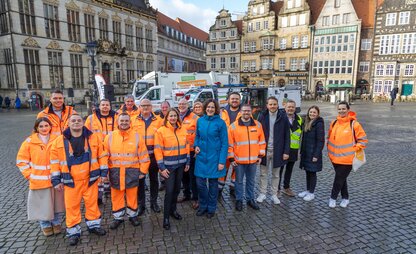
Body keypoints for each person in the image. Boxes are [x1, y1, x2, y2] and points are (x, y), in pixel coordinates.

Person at [50, 114, 108, 246]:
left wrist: (104, 172)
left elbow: (102, 155)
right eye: (73, 121)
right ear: (68, 124)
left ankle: (93, 226)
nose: (76, 122)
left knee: (92, 204)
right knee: (72, 207)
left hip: (90, 179)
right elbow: (54, 162)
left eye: (79, 120)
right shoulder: (59, 141)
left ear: (83, 123)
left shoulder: (93, 137)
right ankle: (73, 232)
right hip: (71, 182)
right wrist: (56, 180)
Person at [16, 118, 64, 236]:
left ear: (50, 127)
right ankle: (45, 224)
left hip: (55, 178)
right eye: (41, 126)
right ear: (36, 128)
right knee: (42, 204)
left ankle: (56, 222)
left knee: (56, 203)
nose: (44, 128)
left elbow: (62, 157)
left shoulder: (57, 139)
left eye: (46, 126)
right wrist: (29, 175)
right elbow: (21, 161)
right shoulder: (29, 141)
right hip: (38, 180)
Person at [104, 113, 150, 229]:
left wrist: (143, 172)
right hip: (115, 171)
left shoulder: (137, 136)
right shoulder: (109, 137)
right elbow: (104, 156)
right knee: (116, 195)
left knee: (132, 195)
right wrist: (104, 173)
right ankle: (118, 218)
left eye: (126, 121)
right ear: (117, 122)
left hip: (132, 171)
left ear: (130, 122)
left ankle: (132, 216)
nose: (124, 123)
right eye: (122, 121)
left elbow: (144, 156)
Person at [154, 108, 190, 230]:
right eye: (171, 116)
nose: (173, 118)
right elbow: (157, 150)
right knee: (169, 192)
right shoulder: (161, 131)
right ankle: (166, 217)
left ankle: (173, 210)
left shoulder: (182, 129)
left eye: (175, 115)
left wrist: (188, 161)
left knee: (176, 190)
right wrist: (161, 167)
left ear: (178, 117)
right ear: (167, 117)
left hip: (180, 165)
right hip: (168, 167)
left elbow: (187, 146)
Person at [327, 101, 368, 208]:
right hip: (334, 158)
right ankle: (345, 198)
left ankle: (333, 198)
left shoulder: (354, 124)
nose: (341, 111)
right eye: (339, 109)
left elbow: (363, 140)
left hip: (347, 159)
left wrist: (354, 148)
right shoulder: (334, 123)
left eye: (343, 109)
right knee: (342, 179)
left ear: (348, 110)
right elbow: (330, 137)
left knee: (338, 178)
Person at [194, 99, 228, 218]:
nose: (210, 109)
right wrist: (196, 145)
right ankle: (203, 205)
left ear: (216, 109)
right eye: (208, 107)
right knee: (200, 183)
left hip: (215, 159)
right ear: (205, 108)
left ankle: (211, 208)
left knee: (213, 185)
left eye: (212, 107)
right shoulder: (200, 121)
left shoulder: (221, 123)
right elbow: (197, 137)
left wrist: (222, 161)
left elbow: (225, 143)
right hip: (201, 158)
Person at [228, 104, 266, 211]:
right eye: (244, 111)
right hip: (239, 161)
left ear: (251, 112)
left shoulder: (258, 125)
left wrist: (260, 155)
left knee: (251, 181)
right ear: (240, 112)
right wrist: (231, 159)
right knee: (238, 182)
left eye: (248, 111)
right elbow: (229, 144)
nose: (246, 113)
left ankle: (250, 200)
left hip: (253, 161)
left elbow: (262, 142)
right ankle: (239, 200)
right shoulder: (233, 126)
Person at [256, 97, 290, 205]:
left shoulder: (283, 117)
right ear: (267, 105)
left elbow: (287, 136)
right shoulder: (262, 116)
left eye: (274, 104)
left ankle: (274, 194)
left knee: (276, 174)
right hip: (264, 150)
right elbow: (257, 134)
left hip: (278, 150)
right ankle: (262, 193)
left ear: (278, 105)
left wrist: (286, 151)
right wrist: (258, 151)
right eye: (270, 104)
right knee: (263, 174)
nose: (272, 106)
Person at [131, 99, 163, 215]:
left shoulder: (159, 120)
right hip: (139, 157)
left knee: (154, 180)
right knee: (140, 181)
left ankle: (154, 202)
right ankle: (141, 204)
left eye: (148, 105)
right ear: (139, 107)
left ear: (151, 107)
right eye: (143, 105)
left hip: (153, 156)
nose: (145, 107)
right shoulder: (133, 120)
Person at [85, 99, 118, 204]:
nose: (105, 106)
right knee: (98, 172)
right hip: (97, 149)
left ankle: (111, 191)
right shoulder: (91, 118)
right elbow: (85, 133)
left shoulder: (116, 117)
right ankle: (98, 196)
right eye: (103, 105)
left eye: (107, 105)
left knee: (113, 170)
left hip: (114, 147)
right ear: (99, 106)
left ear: (110, 106)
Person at [298, 106, 325, 201]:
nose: (312, 114)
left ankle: (312, 193)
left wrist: (316, 155)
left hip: (313, 153)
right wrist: (301, 152)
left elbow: (321, 141)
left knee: (312, 173)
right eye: (310, 112)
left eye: (314, 112)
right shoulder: (307, 122)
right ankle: (308, 190)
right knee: (307, 172)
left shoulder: (319, 123)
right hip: (306, 152)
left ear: (318, 114)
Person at [218, 92, 241, 198]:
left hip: (239, 147)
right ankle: (219, 189)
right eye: (232, 99)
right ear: (228, 100)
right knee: (223, 168)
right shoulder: (221, 112)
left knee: (237, 170)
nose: (234, 100)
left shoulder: (244, 112)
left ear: (240, 100)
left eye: (237, 99)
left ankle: (233, 188)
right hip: (224, 146)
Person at [177, 98, 198, 208]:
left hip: (192, 151)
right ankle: (186, 194)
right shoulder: (176, 116)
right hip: (181, 152)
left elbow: (200, 135)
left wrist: (197, 148)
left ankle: (196, 198)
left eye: (184, 104)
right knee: (184, 175)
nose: (182, 106)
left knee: (193, 176)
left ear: (188, 105)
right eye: (180, 104)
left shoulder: (195, 117)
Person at [279, 100, 302, 197]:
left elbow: (300, 134)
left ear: (295, 108)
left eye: (292, 107)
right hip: (282, 148)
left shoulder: (299, 119)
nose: (291, 109)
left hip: (293, 148)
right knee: (279, 169)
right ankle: (277, 189)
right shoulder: (280, 117)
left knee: (289, 169)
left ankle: (286, 187)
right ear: (285, 108)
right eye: (289, 107)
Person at [155, 100, 171, 191]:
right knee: (160, 165)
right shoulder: (157, 118)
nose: (164, 109)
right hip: (160, 144)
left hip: (170, 145)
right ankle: (163, 182)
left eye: (166, 107)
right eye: (163, 107)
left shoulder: (172, 116)